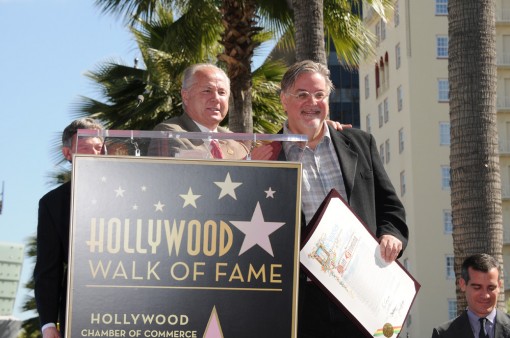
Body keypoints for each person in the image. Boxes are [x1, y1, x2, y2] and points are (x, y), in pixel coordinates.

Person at [274, 60, 408, 337]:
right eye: (302, 94)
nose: (312, 102)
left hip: (361, 296)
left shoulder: (360, 143)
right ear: (284, 100)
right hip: (301, 302)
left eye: (320, 95)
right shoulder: (268, 156)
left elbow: (390, 207)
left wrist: (391, 234)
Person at [148, 63, 347, 160]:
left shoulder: (238, 140)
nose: (216, 98)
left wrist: (318, 127)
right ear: (185, 95)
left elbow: (279, 141)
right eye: (207, 91)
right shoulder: (169, 132)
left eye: (222, 92)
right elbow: (187, 183)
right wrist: (248, 164)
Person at [34, 118, 104, 338]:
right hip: (79, 315)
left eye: (99, 148)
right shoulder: (53, 204)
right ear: (67, 154)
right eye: (85, 149)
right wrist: (48, 324)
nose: (94, 154)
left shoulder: (136, 192)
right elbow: (48, 269)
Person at [432, 253, 510, 338]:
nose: (485, 295)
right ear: (462, 285)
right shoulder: (443, 334)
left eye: (491, 288)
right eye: (477, 288)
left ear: (499, 286)